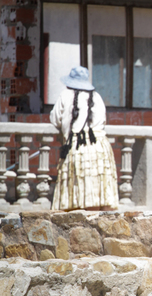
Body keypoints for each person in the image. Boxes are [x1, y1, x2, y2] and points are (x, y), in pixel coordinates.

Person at [50, 66, 119, 211]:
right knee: (98, 195)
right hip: (99, 146)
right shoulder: (97, 96)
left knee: (76, 192)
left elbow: (55, 119)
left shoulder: (65, 95)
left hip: (77, 146)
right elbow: (102, 121)